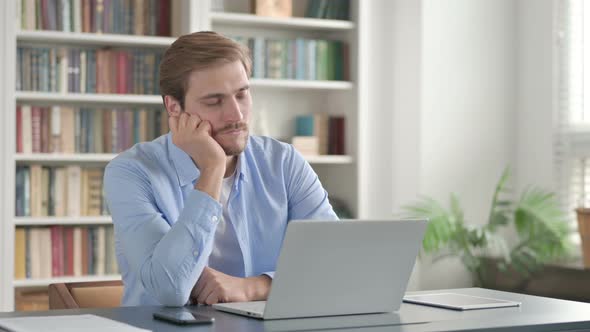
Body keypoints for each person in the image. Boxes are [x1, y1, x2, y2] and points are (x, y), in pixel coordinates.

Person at [103, 31, 338, 307]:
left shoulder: (283, 162)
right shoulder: (131, 173)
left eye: (242, 95)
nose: (236, 115)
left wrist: (251, 288)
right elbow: (170, 289)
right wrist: (212, 168)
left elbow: (334, 264)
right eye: (214, 102)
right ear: (174, 108)